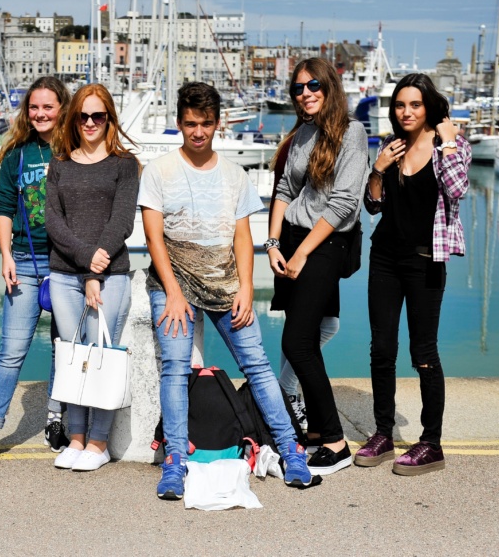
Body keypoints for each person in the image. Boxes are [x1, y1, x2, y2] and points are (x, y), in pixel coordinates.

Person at [140, 82, 313, 499]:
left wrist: (247, 288)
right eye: (189, 124)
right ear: (179, 123)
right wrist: (173, 291)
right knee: (175, 367)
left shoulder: (235, 175)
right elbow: (153, 237)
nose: (197, 132)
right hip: (173, 283)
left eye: (205, 123)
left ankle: (290, 449)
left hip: (226, 283)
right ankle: (175, 459)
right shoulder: (159, 171)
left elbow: (242, 238)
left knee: (257, 365)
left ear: (217, 124)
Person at [354, 73, 470, 475]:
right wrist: (378, 168)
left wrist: (449, 140)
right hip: (385, 258)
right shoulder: (393, 146)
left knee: (423, 353)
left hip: (426, 261)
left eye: (415, 105)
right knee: (382, 349)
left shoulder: (451, 147)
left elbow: (457, 189)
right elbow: (373, 206)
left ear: (429, 107)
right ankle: (383, 433)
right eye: (401, 105)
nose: (406, 112)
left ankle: (431, 443)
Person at [265, 57, 368, 476]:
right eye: (298, 88)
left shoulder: (352, 132)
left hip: (324, 244)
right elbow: (285, 188)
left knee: (297, 343)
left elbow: (344, 202)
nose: (305, 93)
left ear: (329, 87)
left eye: (313, 86)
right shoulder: (303, 132)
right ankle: (315, 430)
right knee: (308, 333)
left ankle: (335, 442)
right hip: (293, 241)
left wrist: (303, 252)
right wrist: (273, 243)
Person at [0, 77, 71, 470]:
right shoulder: (17, 155)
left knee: (64, 348)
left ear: (62, 109)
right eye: (34, 107)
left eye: (48, 107)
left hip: (66, 265)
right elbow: (4, 208)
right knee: (12, 351)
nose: (40, 114)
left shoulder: (74, 150)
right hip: (26, 263)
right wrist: (6, 256)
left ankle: (55, 419)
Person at [45, 83, 138, 472]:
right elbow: (54, 221)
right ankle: (77, 437)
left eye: (97, 115)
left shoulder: (124, 164)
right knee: (72, 357)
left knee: (100, 354)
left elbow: (122, 221)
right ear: (73, 119)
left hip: (110, 275)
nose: (89, 122)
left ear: (109, 118)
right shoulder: (60, 163)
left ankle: (98, 443)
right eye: (82, 115)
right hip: (65, 274)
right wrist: (86, 263)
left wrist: (94, 272)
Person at [268, 117, 340, 430]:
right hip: (301, 244)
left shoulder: (299, 140)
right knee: (319, 327)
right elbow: (286, 193)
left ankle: (288, 395)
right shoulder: (299, 143)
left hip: (307, 243)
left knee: (300, 327)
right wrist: (277, 245)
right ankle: (285, 390)